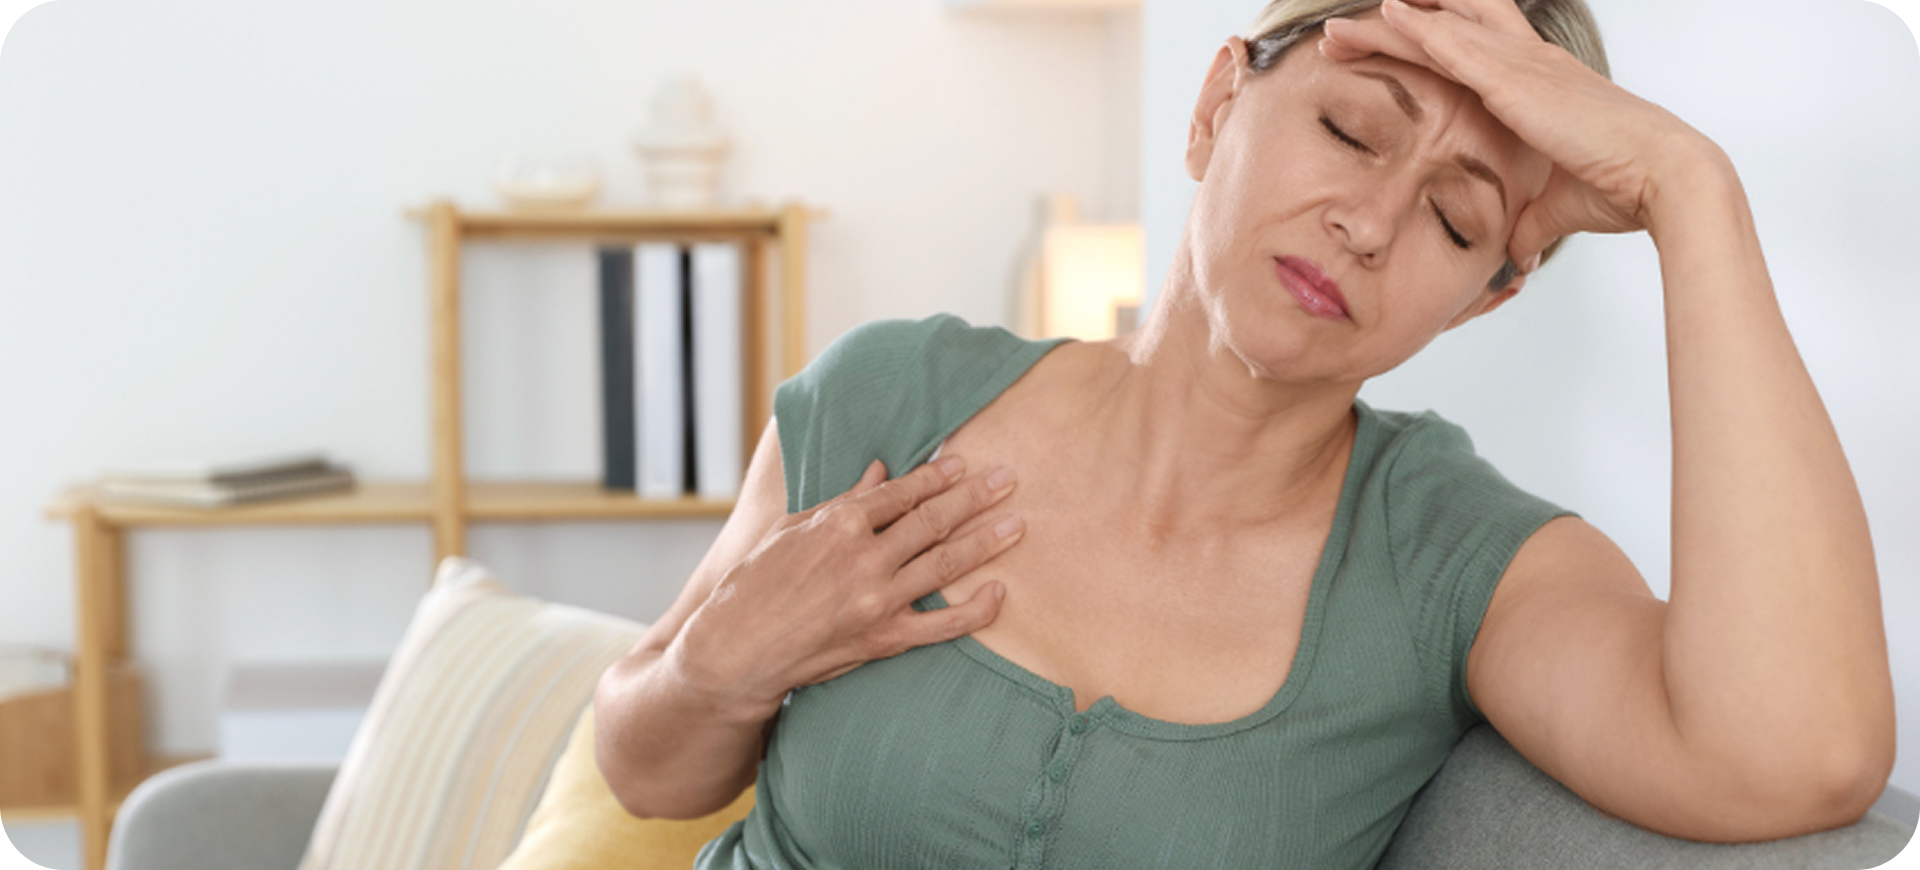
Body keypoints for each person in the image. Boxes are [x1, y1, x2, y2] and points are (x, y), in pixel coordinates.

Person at [591, 0, 1897, 866]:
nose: (1374, 223)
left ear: (1492, 289)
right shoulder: (893, 393)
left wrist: (1690, 192)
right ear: (1217, 104)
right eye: (1349, 128)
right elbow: (645, 766)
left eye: (1456, 221)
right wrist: (716, 666)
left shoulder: (1454, 559)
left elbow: (1801, 748)